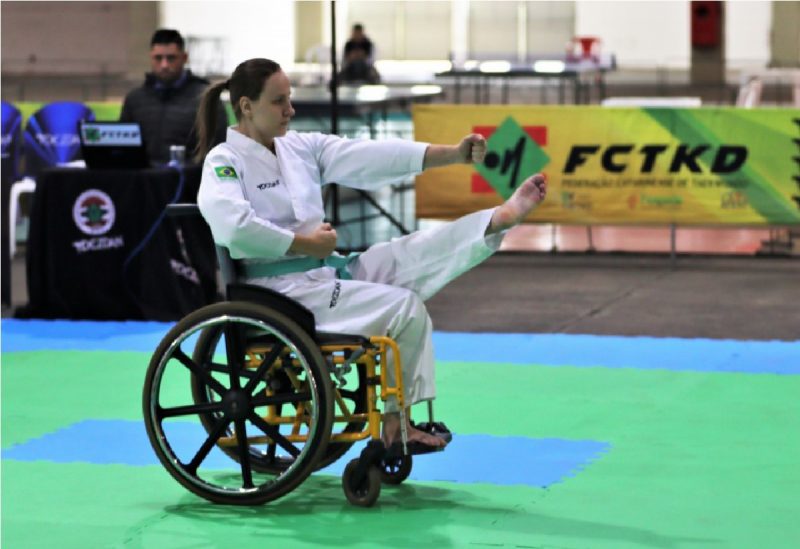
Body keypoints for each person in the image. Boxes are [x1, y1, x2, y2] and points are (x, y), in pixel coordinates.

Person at [194, 58, 547, 453]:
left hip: (324, 273)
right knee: (405, 308)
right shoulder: (224, 161)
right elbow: (233, 226)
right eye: (279, 102)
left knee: (408, 254)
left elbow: (371, 156)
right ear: (246, 106)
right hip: (282, 294)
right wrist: (305, 244)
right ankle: (397, 424)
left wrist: (453, 155)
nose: (290, 110)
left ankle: (494, 221)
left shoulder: (299, 147)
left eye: (289, 99)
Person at [120, 29, 226, 166]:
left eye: (171, 58)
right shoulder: (135, 99)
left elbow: (217, 149)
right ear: (150, 57)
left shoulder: (207, 99)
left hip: (191, 182)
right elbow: (122, 148)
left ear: (184, 57)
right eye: (158, 58)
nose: (164, 65)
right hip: (144, 183)